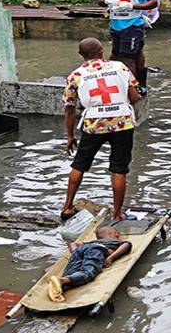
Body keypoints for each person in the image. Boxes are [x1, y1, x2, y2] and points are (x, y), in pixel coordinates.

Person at [61, 38, 142, 222]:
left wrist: (70, 136)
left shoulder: (75, 75)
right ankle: (117, 213)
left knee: (79, 164)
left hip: (93, 124)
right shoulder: (119, 67)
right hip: (122, 122)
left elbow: (69, 108)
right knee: (119, 169)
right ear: (100, 52)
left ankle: (67, 207)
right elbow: (135, 96)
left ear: (82, 55)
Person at [98, 0, 157, 89]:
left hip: (132, 24)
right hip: (116, 24)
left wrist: (132, 6)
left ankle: (131, 88)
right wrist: (106, 0)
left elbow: (153, 2)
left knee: (127, 57)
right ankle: (139, 84)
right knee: (123, 53)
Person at [48, 225, 132, 302]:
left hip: (80, 249)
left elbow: (73, 243)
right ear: (116, 234)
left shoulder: (93, 241)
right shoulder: (115, 242)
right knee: (87, 273)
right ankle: (62, 280)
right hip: (96, 250)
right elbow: (126, 245)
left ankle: (60, 285)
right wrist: (110, 258)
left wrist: (75, 252)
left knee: (70, 274)